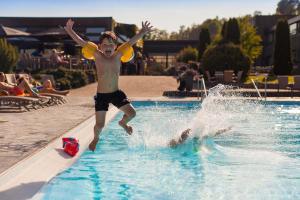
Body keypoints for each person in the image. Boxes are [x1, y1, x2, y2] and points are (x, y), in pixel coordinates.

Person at [64, 19, 153, 151]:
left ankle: (123, 123)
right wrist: (70, 31)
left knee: (132, 114)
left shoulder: (118, 55)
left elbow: (131, 42)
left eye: (111, 45)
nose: (108, 47)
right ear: (99, 46)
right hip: (102, 96)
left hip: (116, 93)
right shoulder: (97, 55)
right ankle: (95, 138)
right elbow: (81, 42)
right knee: (99, 126)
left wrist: (142, 32)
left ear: (115, 46)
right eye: (104, 45)